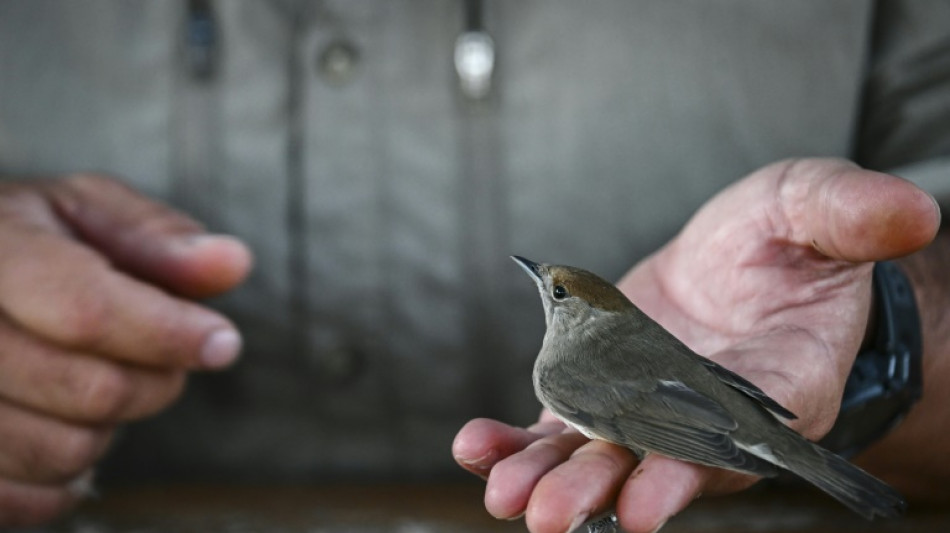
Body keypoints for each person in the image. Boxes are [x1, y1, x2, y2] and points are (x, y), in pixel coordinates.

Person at [0, 1, 947, 531]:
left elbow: (670, 417)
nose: (544, 284)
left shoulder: (562, 371)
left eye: (556, 287)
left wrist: (884, 328)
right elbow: (693, 393)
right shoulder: (586, 352)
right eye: (552, 284)